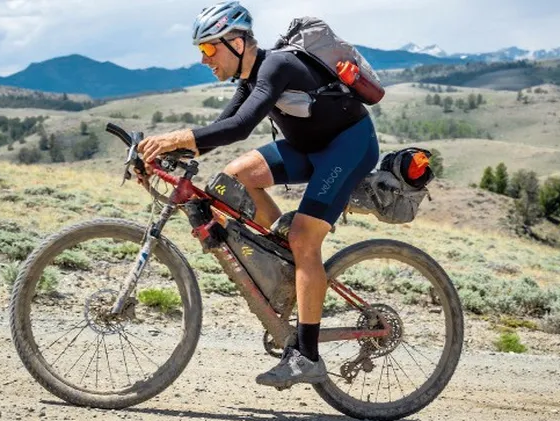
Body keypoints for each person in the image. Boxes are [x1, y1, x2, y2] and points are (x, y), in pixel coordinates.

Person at [137, 1, 382, 389]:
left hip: (348, 147)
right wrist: (164, 154)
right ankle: (286, 254)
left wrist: (173, 138)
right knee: (235, 177)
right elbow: (219, 130)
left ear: (236, 43)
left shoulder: (276, 67)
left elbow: (240, 127)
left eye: (208, 48)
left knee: (305, 240)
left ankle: (307, 356)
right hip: (309, 146)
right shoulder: (251, 78)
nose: (204, 59)